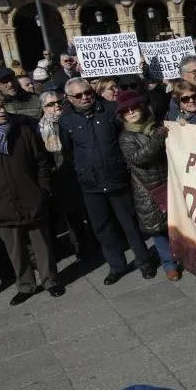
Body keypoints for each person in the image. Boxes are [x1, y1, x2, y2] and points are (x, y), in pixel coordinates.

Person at [0, 92, 64, 305]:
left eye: (2, 106)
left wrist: (41, 189)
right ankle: (25, 286)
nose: (2, 111)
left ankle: (50, 281)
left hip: (31, 199)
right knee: (15, 250)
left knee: (41, 244)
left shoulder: (22, 130)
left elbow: (41, 162)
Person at [58, 78, 157, 285]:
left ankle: (144, 262)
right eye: (78, 95)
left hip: (117, 178)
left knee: (130, 224)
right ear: (69, 98)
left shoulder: (111, 110)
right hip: (91, 185)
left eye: (87, 92)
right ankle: (116, 266)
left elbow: (128, 134)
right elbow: (68, 151)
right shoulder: (66, 121)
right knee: (103, 228)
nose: (85, 97)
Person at [115, 91, 181, 281]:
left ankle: (185, 257)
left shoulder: (157, 125)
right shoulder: (126, 137)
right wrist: (156, 139)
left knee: (176, 224)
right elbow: (138, 158)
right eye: (126, 111)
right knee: (157, 229)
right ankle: (169, 263)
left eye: (133, 108)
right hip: (148, 189)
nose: (131, 112)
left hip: (170, 181)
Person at [39, 90, 92, 259]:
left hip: (77, 170)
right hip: (57, 175)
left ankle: (89, 243)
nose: (56, 107)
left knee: (83, 210)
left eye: (58, 102)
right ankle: (75, 247)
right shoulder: (39, 128)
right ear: (43, 108)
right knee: (67, 215)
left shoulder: (71, 120)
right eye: (50, 104)